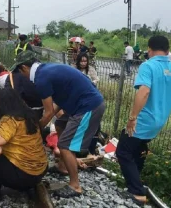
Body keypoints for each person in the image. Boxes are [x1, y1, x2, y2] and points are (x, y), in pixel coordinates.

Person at [116, 36, 171, 206]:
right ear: (168, 50)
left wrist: (132, 118)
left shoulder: (148, 66)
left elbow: (144, 91)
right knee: (138, 147)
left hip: (145, 120)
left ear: (149, 49)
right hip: (160, 121)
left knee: (123, 151)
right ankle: (135, 182)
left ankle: (137, 192)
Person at [10, 51, 105, 198]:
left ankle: (75, 186)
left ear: (24, 68)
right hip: (82, 104)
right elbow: (59, 103)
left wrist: (35, 129)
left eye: (20, 72)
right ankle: (63, 167)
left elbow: (48, 113)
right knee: (60, 124)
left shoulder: (41, 79)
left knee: (65, 145)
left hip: (88, 107)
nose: (22, 76)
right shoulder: (47, 70)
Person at [0, 88, 48, 206]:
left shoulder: (11, 119)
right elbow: (17, 140)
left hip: (24, 175)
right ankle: (26, 186)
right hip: (40, 170)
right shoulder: (29, 115)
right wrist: (1, 146)